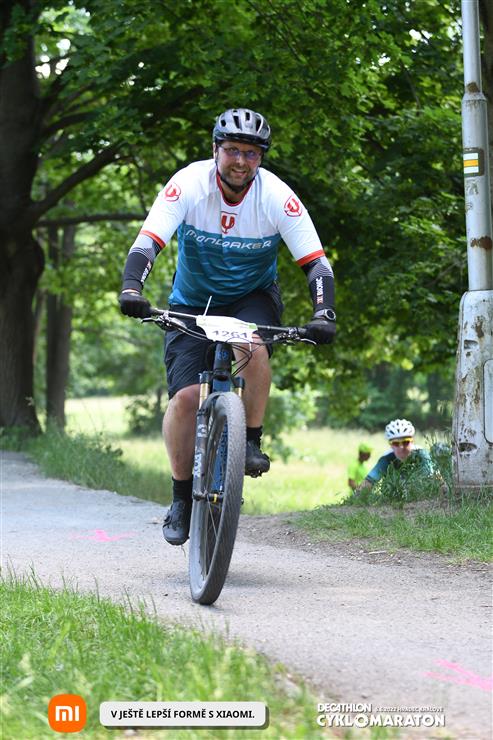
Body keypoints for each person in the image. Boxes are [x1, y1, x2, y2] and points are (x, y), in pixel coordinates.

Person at [119, 107, 336, 546]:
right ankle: (181, 496)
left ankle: (250, 440)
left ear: (261, 158)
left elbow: (316, 264)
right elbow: (148, 242)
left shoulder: (277, 197)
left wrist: (324, 313)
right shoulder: (189, 184)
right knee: (184, 399)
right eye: (233, 150)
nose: (241, 161)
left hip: (252, 297)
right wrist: (131, 288)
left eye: (251, 153)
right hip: (192, 300)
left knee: (251, 343)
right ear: (215, 149)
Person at [358, 418, 434, 490]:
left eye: (405, 442)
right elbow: (367, 483)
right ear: (390, 445)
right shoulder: (386, 459)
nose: (401, 447)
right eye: (396, 443)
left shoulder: (422, 455)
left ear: (412, 442)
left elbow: (433, 480)